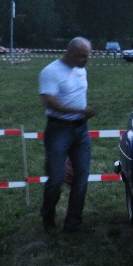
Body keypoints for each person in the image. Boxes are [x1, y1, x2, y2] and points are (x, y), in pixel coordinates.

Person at [38, 37, 97, 233]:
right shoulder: (50, 72)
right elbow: (50, 102)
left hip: (80, 130)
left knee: (82, 176)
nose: (85, 60)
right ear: (69, 52)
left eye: (87, 56)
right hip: (59, 129)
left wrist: (82, 116)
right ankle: (48, 218)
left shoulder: (81, 70)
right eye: (82, 56)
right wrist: (80, 111)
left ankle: (73, 223)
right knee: (55, 179)